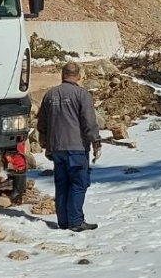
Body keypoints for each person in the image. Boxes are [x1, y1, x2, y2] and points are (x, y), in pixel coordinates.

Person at [37, 62, 102, 232]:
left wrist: (44, 141)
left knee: (62, 183)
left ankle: (63, 221)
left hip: (57, 148)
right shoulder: (82, 94)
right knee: (78, 183)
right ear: (79, 76)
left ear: (62, 75)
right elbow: (89, 121)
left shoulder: (50, 95)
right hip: (76, 148)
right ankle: (75, 221)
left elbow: (42, 123)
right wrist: (96, 142)